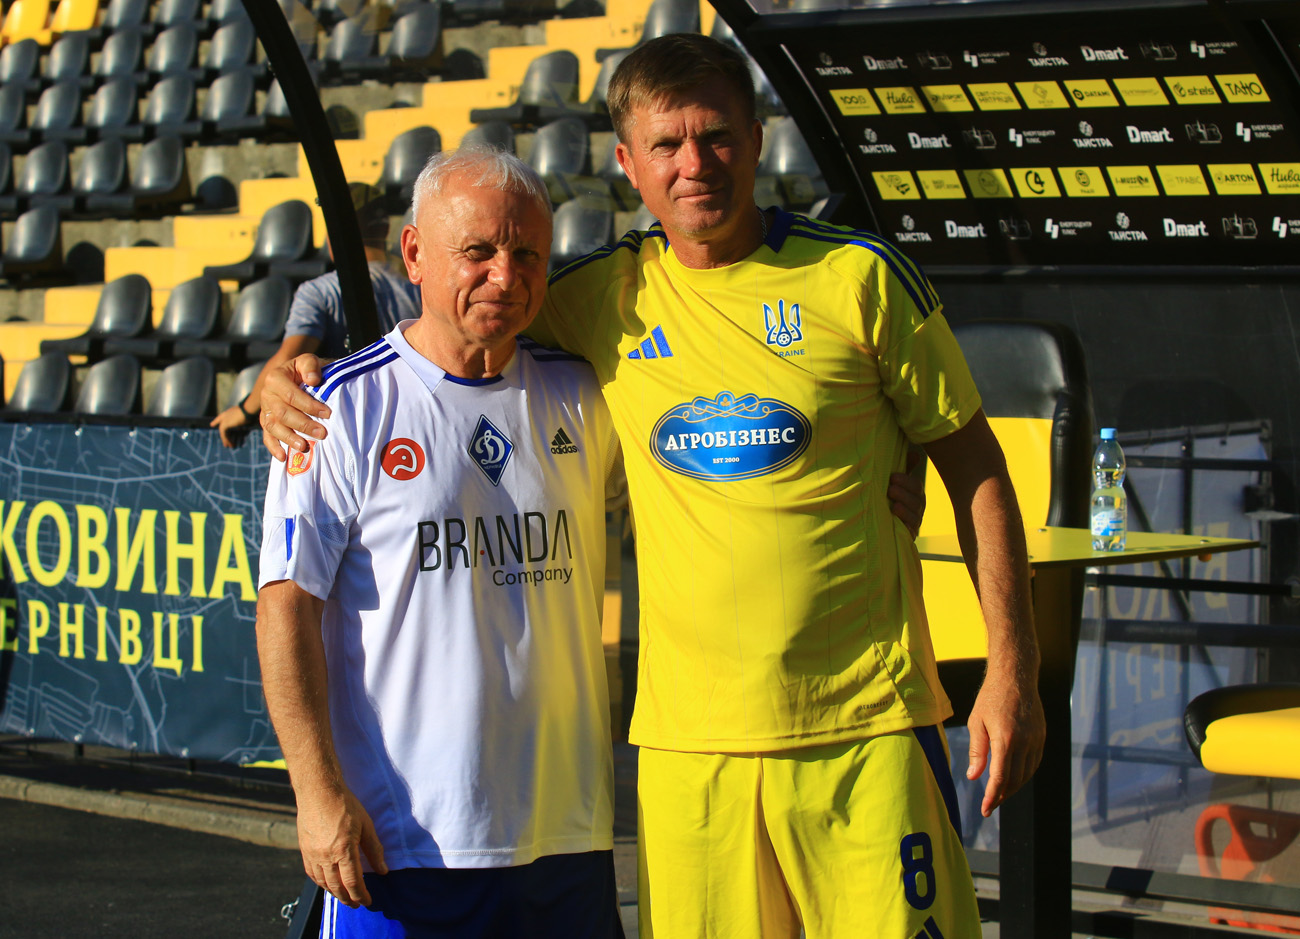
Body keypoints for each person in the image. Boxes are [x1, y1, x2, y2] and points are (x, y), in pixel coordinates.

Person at [260, 35, 1045, 939]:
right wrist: (284, 371)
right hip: (687, 755)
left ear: (757, 138)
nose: (694, 163)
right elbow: (453, 325)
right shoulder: (600, 297)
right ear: (629, 165)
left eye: (716, 135)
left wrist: (1010, 671)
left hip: (864, 727)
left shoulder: (859, 277)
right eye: (666, 144)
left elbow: (977, 468)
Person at [256, 150, 626, 937]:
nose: (505, 275)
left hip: (568, 835)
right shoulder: (335, 408)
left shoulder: (587, 394)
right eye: (478, 251)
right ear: (415, 252)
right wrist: (316, 794)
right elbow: (285, 612)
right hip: (403, 848)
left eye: (528, 254)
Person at [211, 182, 421, 447]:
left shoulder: (319, 292)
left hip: (346, 428)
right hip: (407, 422)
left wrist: (243, 410)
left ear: (334, 232)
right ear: (385, 230)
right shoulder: (417, 283)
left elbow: (288, 359)